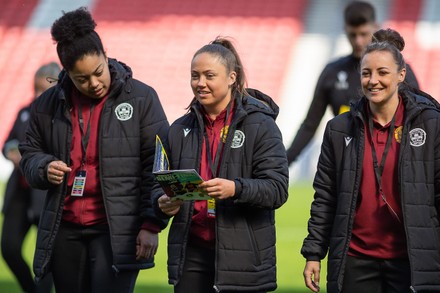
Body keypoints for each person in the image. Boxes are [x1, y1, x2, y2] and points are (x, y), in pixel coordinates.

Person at [18, 7, 169, 293]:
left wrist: (152, 224)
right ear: (67, 74)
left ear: (105, 55)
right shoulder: (46, 105)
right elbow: (29, 154)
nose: (94, 83)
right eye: (82, 79)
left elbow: (159, 164)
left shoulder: (141, 98)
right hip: (64, 230)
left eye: (98, 72)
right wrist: (43, 166)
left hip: (117, 232)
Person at [301, 28, 440, 293]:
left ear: (401, 75)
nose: (373, 80)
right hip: (355, 261)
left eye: (382, 72)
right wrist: (313, 253)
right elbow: (325, 196)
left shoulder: (431, 124)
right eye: (366, 73)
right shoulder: (338, 129)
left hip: (412, 260)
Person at [153, 37, 289, 293]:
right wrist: (161, 202)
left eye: (209, 75)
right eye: (195, 75)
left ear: (231, 78)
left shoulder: (261, 125)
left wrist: (235, 189)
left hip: (243, 260)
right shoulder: (180, 128)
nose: (200, 83)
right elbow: (157, 184)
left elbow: (278, 189)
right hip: (191, 253)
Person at [285, 1, 419, 165]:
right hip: (347, 164)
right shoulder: (332, 72)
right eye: (352, 35)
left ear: (375, 27)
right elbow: (310, 125)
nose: (358, 41)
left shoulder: (399, 71)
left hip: (390, 164)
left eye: (363, 34)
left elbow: (418, 120)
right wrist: (284, 163)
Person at [1, 62, 60, 293]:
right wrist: (11, 152)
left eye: (42, 90)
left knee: (45, 258)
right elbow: (8, 143)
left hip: (46, 194)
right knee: (8, 248)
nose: (36, 95)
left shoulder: (63, 118)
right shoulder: (25, 112)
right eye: (34, 89)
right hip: (20, 192)